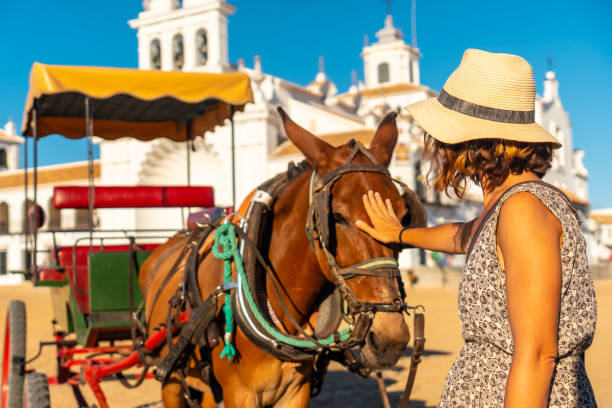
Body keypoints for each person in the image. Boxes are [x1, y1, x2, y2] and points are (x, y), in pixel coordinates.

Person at [356, 49, 597, 407]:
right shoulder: (510, 206)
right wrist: (400, 234)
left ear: (471, 144)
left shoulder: (523, 209)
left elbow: (537, 354)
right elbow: (465, 235)